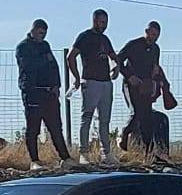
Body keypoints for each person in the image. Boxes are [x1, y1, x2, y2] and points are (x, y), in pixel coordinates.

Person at [15, 19, 71, 172]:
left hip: (49, 93)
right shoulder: (23, 47)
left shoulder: (45, 46)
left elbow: (53, 65)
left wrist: (57, 85)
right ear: (33, 30)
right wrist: (42, 60)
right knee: (33, 128)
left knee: (55, 127)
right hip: (33, 92)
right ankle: (34, 160)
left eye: (45, 33)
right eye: (40, 32)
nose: (42, 35)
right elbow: (28, 66)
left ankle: (66, 158)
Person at [67, 9, 118, 166]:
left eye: (106, 22)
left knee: (105, 120)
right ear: (95, 21)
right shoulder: (84, 37)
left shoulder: (105, 39)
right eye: (102, 22)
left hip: (105, 83)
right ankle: (84, 153)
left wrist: (116, 67)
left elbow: (113, 57)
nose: (104, 25)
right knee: (87, 117)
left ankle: (106, 153)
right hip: (90, 81)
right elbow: (71, 57)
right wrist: (76, 77)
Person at [116, 22, 168, 156]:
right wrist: (130, 75)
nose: (153, 37)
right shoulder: (133, 45)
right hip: (131, 84)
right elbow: (118, 60)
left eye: (156, 35)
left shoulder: (156, 49)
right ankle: (125, 133)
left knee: (148, 118)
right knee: (137, 112)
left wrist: (157, 85)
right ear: (146, 31)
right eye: (151, 34)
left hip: (146, 86)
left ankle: (148, 152)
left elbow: (155, 68)